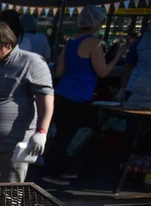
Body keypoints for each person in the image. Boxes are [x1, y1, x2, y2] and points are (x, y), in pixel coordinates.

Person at [43, 6, 126, 186]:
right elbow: (102, 71)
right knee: (70, 135)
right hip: (79, 96)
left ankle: (59, 169)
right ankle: (54, 173)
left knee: (62, 135)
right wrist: (117, 56)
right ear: (97, 23)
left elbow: (59, 70)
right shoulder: (94, 43)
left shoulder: (70, 43)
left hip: (63, 93)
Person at [0, 22, 54, 183]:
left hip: (13, 148)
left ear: (7, 44)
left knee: (8, 198)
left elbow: (45, 97)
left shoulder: (31, 62)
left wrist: (42, 132)